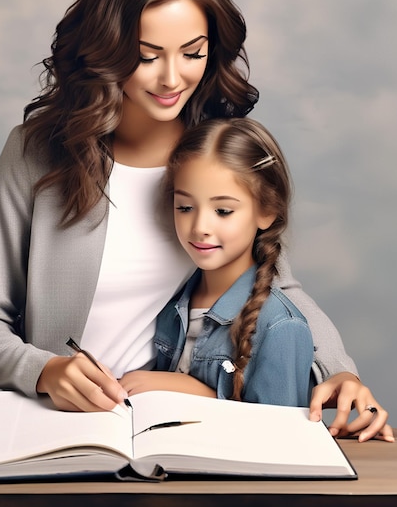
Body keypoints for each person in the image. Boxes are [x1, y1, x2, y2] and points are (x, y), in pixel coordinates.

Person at [0, 0, 393, 441]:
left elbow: (275, 282)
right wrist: (43, 370)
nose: (171, 78)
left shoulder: (214, 153)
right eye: (146, 56)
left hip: (189, 423)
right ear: (105, 51)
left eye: (192, 53)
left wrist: (340, 371)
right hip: (59, 430)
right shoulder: (35, 153)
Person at [121, 117, 315, 406]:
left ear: (267, 211)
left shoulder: (279, 326)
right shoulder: (171, 305)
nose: (199, 226)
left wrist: (189, 389)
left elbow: (279, 439)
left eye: (223, 210)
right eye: (185, 207)